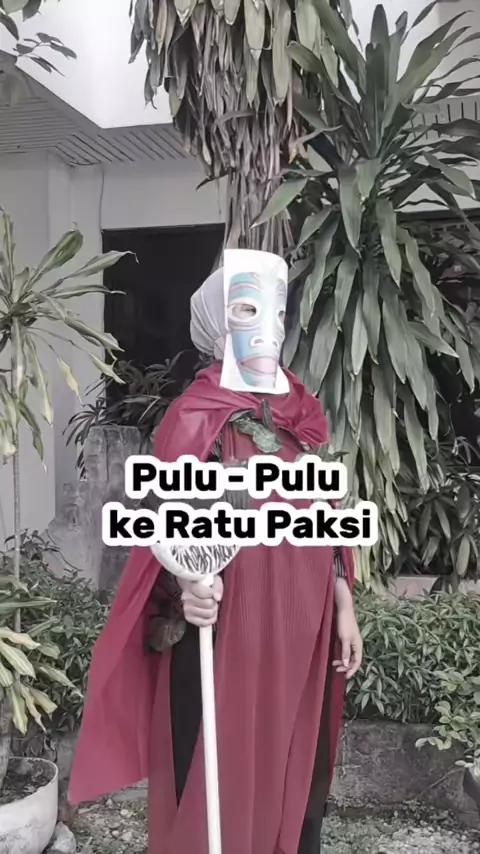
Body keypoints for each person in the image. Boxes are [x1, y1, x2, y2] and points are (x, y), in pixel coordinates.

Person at [69, 254, 363, 854]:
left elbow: (325, 515)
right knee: (218, 769)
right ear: (217, 321)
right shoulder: (192, 417)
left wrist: (343, 605)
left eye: (276, 312)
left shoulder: (301, 416)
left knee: (293, 758)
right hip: (227, 627)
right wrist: (186, 588)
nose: (269, 328)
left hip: (302, 627)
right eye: (249, 309)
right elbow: (162, 527)